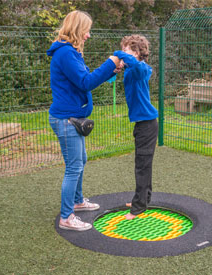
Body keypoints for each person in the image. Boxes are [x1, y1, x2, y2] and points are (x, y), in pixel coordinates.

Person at [47, 10, 120, 231]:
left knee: (81, 161)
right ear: (78, 29)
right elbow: (85, 82)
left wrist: (110, 71)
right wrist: (110, 62)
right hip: (66, 120)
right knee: (73, 167)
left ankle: (77, 202)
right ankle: (66, 217)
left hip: (73, 118)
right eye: (86, 30)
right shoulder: (66, 54)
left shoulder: (70, 53)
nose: (88, 35)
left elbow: (83, 81)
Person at [114, 35, 158, 220]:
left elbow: (140, 68)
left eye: (127, 50)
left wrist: (118, 54)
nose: (124, 54)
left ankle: (139, 206)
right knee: (143, 164)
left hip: (148, 124)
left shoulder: (143, 69)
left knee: (142, 165)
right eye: (122, 50)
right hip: (142, 124)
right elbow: (110, 78)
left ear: (138, 53)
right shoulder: (130, 70)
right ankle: (144, 199)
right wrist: (116, 68)